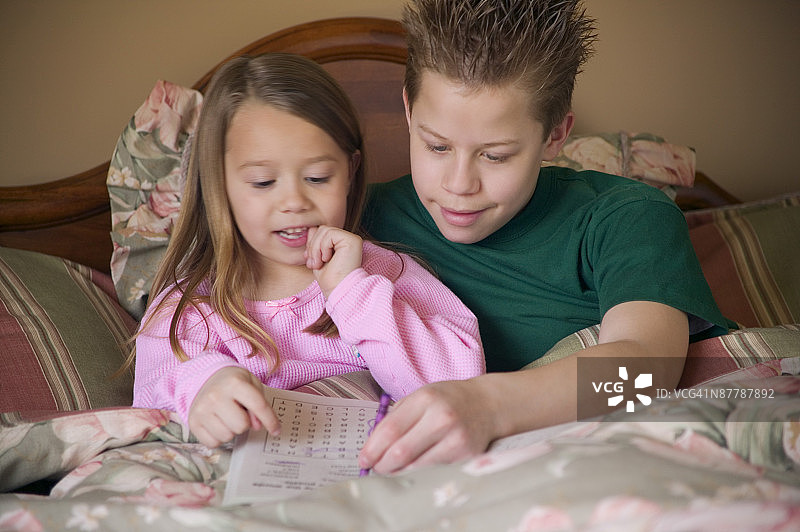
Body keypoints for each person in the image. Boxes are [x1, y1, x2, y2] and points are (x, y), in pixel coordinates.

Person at [358, 0, 734, 473]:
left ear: (555, 136)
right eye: (437, 146)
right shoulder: (361, 219)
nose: (458, 184)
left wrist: (487, 406)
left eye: (495, 156)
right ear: (409, 110)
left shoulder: (625, 216)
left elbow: (645, 371)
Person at [129, 53, 485, 448]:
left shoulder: (384, 276)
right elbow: (146, 405)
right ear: (219, 184)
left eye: (317, 177)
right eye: (263, 182)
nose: (294, 201)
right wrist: (202, 385)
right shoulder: (190, 309)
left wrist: (352, 292)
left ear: (350, 172)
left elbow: (464, 385)